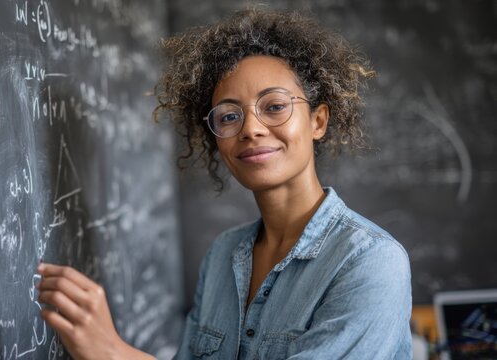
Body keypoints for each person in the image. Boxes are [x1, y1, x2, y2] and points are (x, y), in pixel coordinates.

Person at [36, 8, 413, 360]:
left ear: (318, 121)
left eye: (275, 106)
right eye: (229, 115)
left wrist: (116, 353)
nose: (250, 128)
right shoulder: (223, 255)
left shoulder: (370, 262)